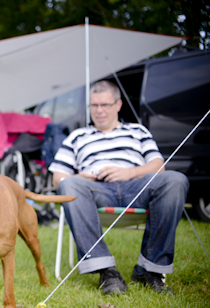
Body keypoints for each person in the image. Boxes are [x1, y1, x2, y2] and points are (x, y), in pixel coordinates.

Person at [49, 80, 189, 295]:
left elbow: (158, 166)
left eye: (105, 104)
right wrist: (81, 176)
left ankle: (149, 270)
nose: (99, 110)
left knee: (175, 179)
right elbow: (58, 179)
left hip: (137, 187)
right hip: (96, 190)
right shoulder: (77, 136)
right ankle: (106, 272)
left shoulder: (137, 131)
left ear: (118, 104)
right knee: (69, 183)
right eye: (94, 105)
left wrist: (129, 172)